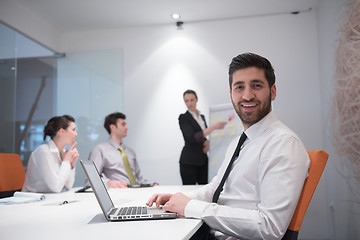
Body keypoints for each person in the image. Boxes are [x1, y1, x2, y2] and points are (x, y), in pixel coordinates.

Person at [147, 53, 310, 239]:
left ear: (272, 91)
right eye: (239, 87)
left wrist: (191, 207)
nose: (247, 95)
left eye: (256, 85)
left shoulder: (282, 143)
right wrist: (179, 199)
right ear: (231, 94)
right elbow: (216, 188)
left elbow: (269, 227)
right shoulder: (238, 142)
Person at [89, 112, 156, 188]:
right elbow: (91, 180)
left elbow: (139, 178)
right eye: (123, 124)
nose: (126, 127)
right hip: (118, 193)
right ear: (112, 127)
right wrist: (108, 183)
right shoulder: (100, 150)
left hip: (137, 190)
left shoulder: (130, 152)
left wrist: (152, 184)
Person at [179, 89, 227, 185]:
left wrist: (207, 142)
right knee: (189, 191)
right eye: (186, 101)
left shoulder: (202, 117)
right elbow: (193, 137)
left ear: (196, 100)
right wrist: (213, 127)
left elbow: (202, 135)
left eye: (192, 100)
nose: (189, 103)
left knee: (204, 188)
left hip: (202, 159)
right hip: (189, 161)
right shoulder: (183, 118)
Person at [22, 115, 79, 193]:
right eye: (73, 130)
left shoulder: (63, 152)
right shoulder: (43, 152)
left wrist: (71, 164)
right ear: (61, 131)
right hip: (32, 201)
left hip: (49, 199)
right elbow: (56, 187)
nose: (76, 134)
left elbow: (68, 186)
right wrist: (66, 161)